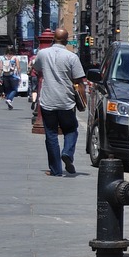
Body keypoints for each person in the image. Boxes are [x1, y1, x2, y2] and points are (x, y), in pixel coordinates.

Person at [32, 29, 88, 176]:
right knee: (71, 130)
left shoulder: (43, 54)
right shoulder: (72, 57)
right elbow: (79, 80)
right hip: (66, 101)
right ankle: (67, 152)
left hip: (48, 101)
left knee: (50, 134)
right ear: (66, 40)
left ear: (53, 39)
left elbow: (36, 68)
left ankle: (56, 170)